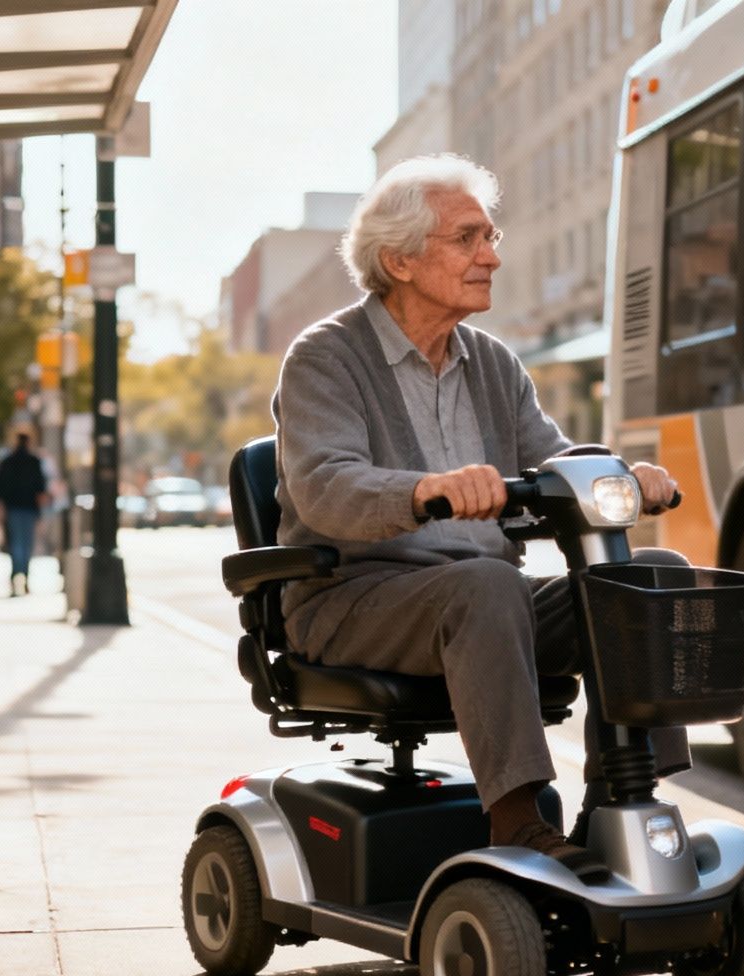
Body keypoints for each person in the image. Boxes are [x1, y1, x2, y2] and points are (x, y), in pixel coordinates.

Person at [274, 155, 683, 881]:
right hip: (355, 597)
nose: (491, 256)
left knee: (649, 579)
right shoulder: (325, 358)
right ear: (400, 259)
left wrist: (621, 475)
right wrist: (426, 488)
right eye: (468, 239)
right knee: (486, 586)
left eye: (490, 237)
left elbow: (556, 464)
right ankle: (519, 820)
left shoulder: (493, 363)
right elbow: (326, 487)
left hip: (481, 599)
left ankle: (625, 798)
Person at [0, 430, 49, 597]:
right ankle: (24, 576)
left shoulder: (8, 461)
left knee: (16, 543)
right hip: (29, 508)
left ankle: (16, 575)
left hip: (14, 507)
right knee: (27, 544)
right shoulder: (34, 462)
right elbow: (41, 488)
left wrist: (0, 507)